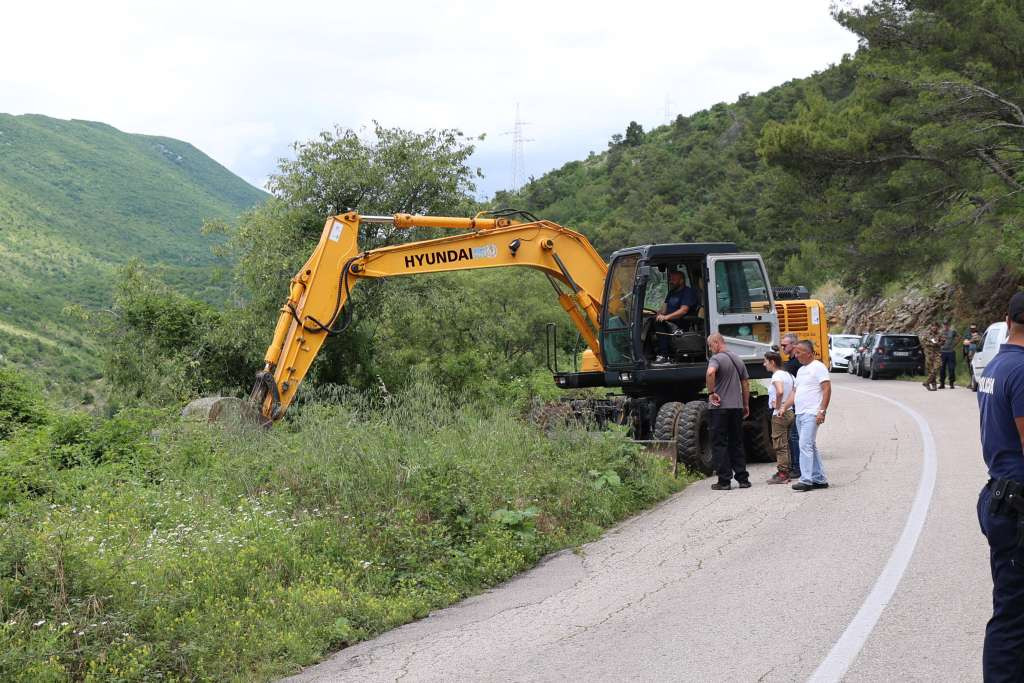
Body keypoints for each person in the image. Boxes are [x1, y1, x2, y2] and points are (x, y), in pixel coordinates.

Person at [977, 292, 1024, 681]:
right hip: (1017, 504)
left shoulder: (997, 364)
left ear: (1007, 321)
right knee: (1014, 617)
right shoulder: (1022, 369)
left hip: (1001, 493)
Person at [780, 339, 831, 491]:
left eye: (799, 352)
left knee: (804, 445)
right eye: (795, 352)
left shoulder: (818, 367)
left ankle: (806, 480)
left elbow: (827, 389)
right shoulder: (801, 370)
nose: (796, 355)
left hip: (812, 412)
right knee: (810, 445)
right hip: (800, 413)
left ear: (809, 353)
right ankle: (819, 479)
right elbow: (795, 392)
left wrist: (822, 411)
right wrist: (784, 406)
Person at [706, 333, 750, 490]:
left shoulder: (716, 359)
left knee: (719, 443)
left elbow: (710, 372)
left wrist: (711, 393)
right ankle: (743, 479)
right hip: (736, 407)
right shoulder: (738, 359)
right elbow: (745, 383)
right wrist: (746, 404)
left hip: (719, 408)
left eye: (710, 346)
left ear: (717, 342)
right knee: (736, 442)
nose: (710, 349)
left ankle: (724, 481)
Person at [763, 350, 795, 484]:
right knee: (786, 443)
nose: (764, 364)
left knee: (779, 445)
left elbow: (780, 391)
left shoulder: (776, 376)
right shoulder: (789, 375)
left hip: (779, 414)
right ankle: (788, 469)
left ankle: (783, 474)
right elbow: (794, 392)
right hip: (790, 411)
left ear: (772, 362)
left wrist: (777, 405)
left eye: (765, 361)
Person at [654, 269, 699, 363]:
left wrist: (666, 317)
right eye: (670, 279)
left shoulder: (688, 292)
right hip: (670, 321)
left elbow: (683, 310)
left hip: (682, 321)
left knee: (659, 324)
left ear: (681, 281)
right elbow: (664, 309)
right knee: (652, 320)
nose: (671, 282)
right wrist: (658, 314)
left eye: (673, 279)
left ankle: (664, 355)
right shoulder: (671, 292)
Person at [780, 332, 802, 480]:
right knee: (793, 437)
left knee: (795, 437)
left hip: (797, 405)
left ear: (793, 345)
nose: (782, 348)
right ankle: (795, 466)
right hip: (792, 404)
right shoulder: (790, 362)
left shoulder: (797, 364)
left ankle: (797, 467)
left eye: (784, 345)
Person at [922, 322, 942, 391]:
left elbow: (943, 341)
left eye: (936, 326)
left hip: (937, 354)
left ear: (937, 327)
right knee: (930, 370)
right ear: (931, 327)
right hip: (929, 354)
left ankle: (927, 382)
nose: (934, 327)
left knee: (937, 367)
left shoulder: (939, 334)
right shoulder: (926, 334)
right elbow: (923, 342)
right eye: (933, 326)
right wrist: (931, 344)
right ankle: (934, 385)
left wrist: (938, 343)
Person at [939, 320, 960, 389]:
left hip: (951, 352)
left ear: (949, 325)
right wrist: (939, 345)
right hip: (942, 352)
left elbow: (959, 337)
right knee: (942, 368)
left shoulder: (952, 331)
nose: (946, 326)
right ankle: (942, 383)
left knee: (951, 368)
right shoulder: (940, 332)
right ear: (943, 325)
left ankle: (951, 383)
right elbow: (936, 339)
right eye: (944, 325)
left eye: (947, 325)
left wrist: (955, 344)